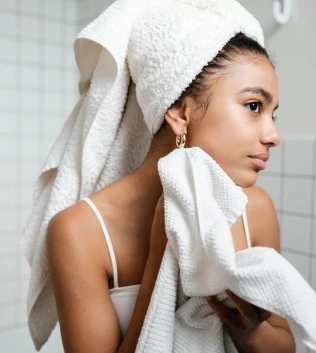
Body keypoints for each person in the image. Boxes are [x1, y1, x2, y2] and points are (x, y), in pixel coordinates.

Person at [46, 32, 296, 353]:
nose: (273, 135)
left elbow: (285, 346)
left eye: (271, 114)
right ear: (180, 114)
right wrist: (161, 258)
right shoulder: (79, 231)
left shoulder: (256, 209)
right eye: (253, 105)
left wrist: (249, 332)